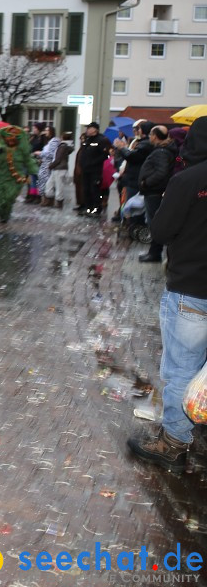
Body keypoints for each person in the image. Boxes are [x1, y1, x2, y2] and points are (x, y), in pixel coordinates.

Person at [127, 117, 207, 472]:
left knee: (182, 368)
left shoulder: (187, 180)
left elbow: (161, 228)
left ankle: (174, 440)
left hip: (191, 287)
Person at [137, 125, 179, 263]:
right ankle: (154, 252)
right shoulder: (162, 150)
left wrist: (146, 182)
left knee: (154, 222)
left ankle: (155, 253)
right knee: (154, 221)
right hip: (155, 191)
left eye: (150, 134)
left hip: (154, 191)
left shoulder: (161, 151)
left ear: (155, 136)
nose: (149, 137)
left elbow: (161, 172)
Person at [0, 125, 36, 223]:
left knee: (7, 199)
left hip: (14, 179)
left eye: (15, 137)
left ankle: (4, 216)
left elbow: (28, 161)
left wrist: (34, 171)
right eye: (9, 137)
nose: (12, 139)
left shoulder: (21, 150)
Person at [75, 122, 111, 216]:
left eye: (89, 128)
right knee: (86, 189)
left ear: (95, 129)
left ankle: (96, 209)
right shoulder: (87, 140)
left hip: (96, 170)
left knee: (95, 190)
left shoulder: (102, 140)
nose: (87, 130)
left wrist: (93, 162)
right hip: (86, 170)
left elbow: (105, 155)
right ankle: (88, 208)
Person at [43, 132, 74, 209]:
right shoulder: (65, 146)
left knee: (59, 185)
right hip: (58, 168)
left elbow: (58, 159)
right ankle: (50, 199)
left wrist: (51, 165)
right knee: (50, 184)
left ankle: (59, 202)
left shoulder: (62, 146)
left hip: (59, 168)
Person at [35, 126, 59, 206]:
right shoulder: (48, 141)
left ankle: (49, 200)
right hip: (44, 164)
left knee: (47, 183)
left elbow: (51, 154)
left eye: (47, 130)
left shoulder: (54, 141)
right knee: (42, 181)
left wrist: (40, 153)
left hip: (48, 165)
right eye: (45, 130)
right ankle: (44, 199)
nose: (45, 132)